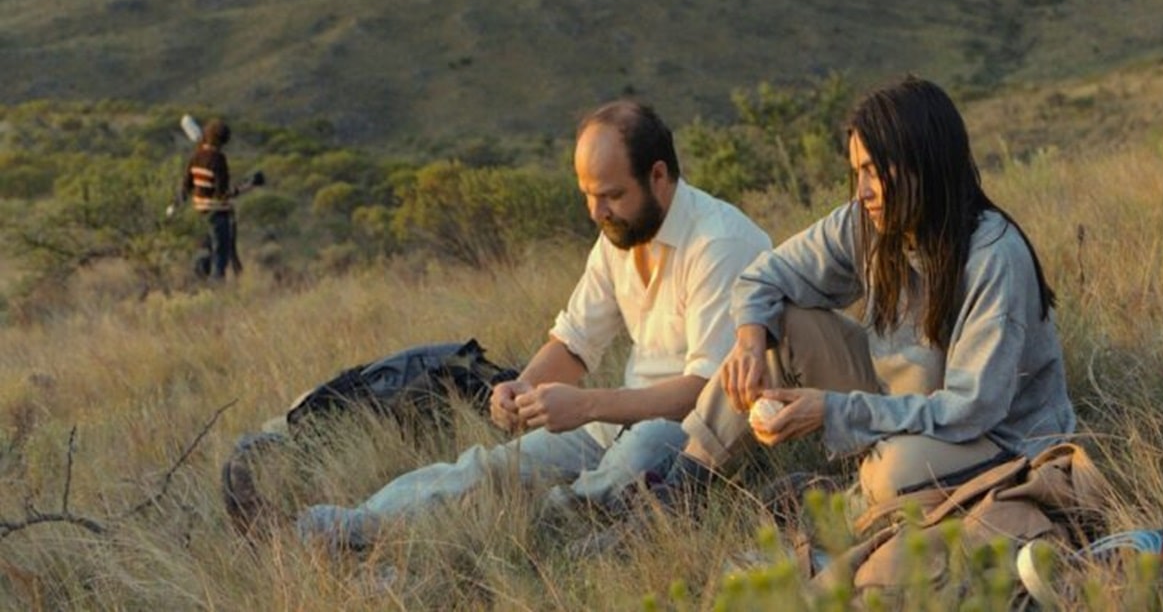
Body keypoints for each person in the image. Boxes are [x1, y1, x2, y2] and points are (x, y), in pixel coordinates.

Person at [294, 99, 772, 549]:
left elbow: (708, 392)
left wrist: (586, 406)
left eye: (611, 195)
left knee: (640, 451)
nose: (597, 212)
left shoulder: (719, 245)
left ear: (659, 175)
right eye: (587, 195)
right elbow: (575, 343)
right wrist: (520, 387)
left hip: (698, 436)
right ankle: (358, 526)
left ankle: (537, 532)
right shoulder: (619, 235)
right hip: (618, 422)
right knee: (490, 468)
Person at [651, 75, 1076, 510]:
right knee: (777, 322)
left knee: (894, 474)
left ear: (923, 163)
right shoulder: (865, 222)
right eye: (858, 173)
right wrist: (748, 341)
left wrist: (835, 411)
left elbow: (971, 412)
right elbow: (762, 277)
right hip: (903, 404)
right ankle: (683, 486)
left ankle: (843, 498)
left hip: (995, 437)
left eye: (874, 171)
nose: (863, 191)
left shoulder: (993, 257)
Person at [178, 118, 242, 280]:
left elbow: (187, 185)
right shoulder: (219, 159)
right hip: (217, 214)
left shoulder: (196, 157)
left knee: (202, 253)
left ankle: (199, 287)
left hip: (198, 213)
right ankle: (216, 290)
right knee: (219, 256)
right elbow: (221, 192)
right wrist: (238, 190)